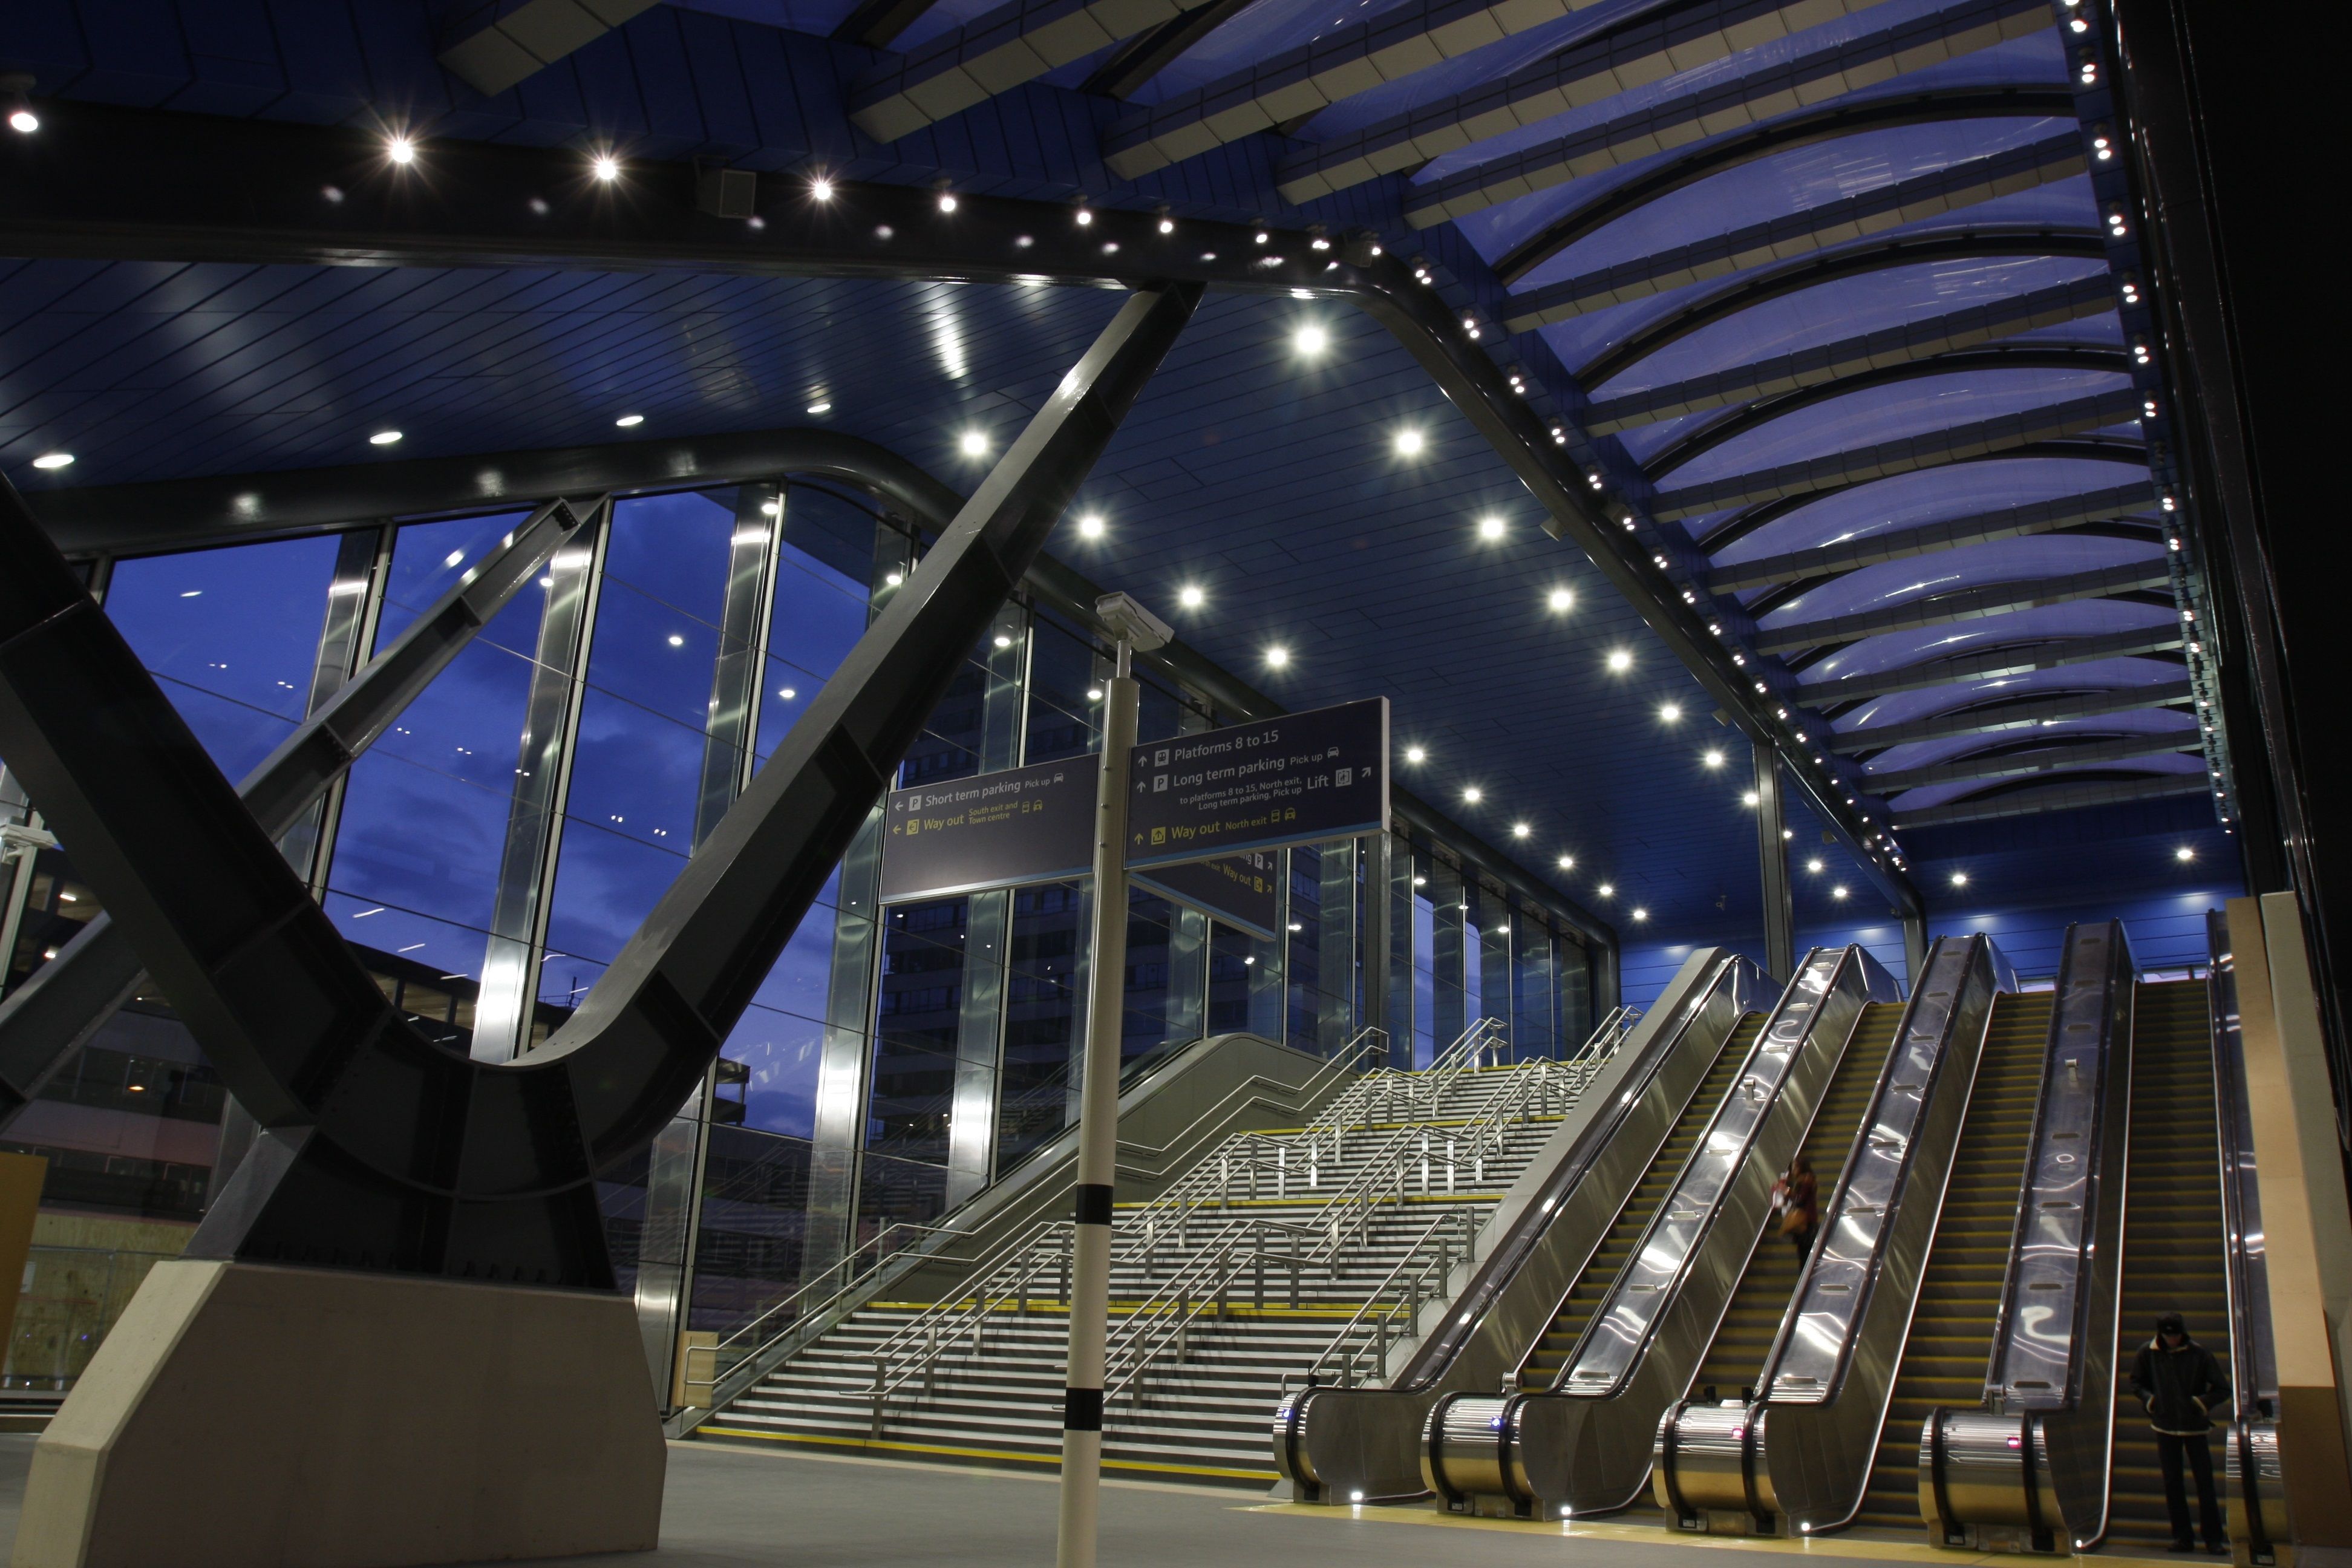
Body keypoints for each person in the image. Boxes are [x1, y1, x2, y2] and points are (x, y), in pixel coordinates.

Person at [2129, 1311, 2229, 1553]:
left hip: (2194, 1428)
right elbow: (2136, 1382)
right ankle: (2183, 1538)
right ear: (2161, 1334)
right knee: (2173, 1484)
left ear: (2183, 1333)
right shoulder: (2148, 1353)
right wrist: (2150, 1401)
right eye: (2167, 1335)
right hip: (2164, 1426)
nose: (2172, 1340)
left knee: (2205, 1483)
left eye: (2175, 1335)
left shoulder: (2200, 1353)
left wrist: (2199, 1403)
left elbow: (2222, 1388)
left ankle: (2213, 1539)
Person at [1770, 1155, 1818, 1261]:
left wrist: (1787, 1191)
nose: (1793, 1170)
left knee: (1805, 1255)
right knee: (1804, 1254)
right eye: (1793, 1168)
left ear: (1802, 1167)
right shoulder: (1802, 1181)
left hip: (1806, 1223)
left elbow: (1800, 1200)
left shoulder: (1806, 1181)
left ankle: (1806, 1275)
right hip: (1806, 1222)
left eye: (1796, 1167)